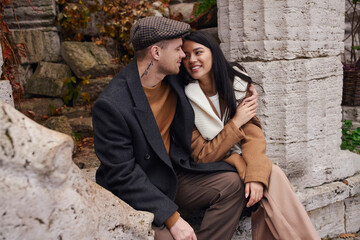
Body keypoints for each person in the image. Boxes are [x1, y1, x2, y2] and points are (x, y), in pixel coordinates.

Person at [92, 16, 256, 240]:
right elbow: (123, 175)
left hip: (174, 173)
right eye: (179, 49)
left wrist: (243, 91)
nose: (184, 56)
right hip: (137, 189)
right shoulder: (112, 105)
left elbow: (215, 72)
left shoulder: (174, 77)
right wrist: (172, 218)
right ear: (156, 53)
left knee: (231, 184)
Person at [180, 31, 321, 240]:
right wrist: (236, 123)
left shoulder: (235, 85)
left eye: (198, 52)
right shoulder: (185, 97)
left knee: (272, 175)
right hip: (209, 170)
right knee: (273, 175)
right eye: (185, 55)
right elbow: (203, 155)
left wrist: (255, 176)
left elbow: (253, 134)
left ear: (213, 53)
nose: (192, 60)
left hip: (236, 161)